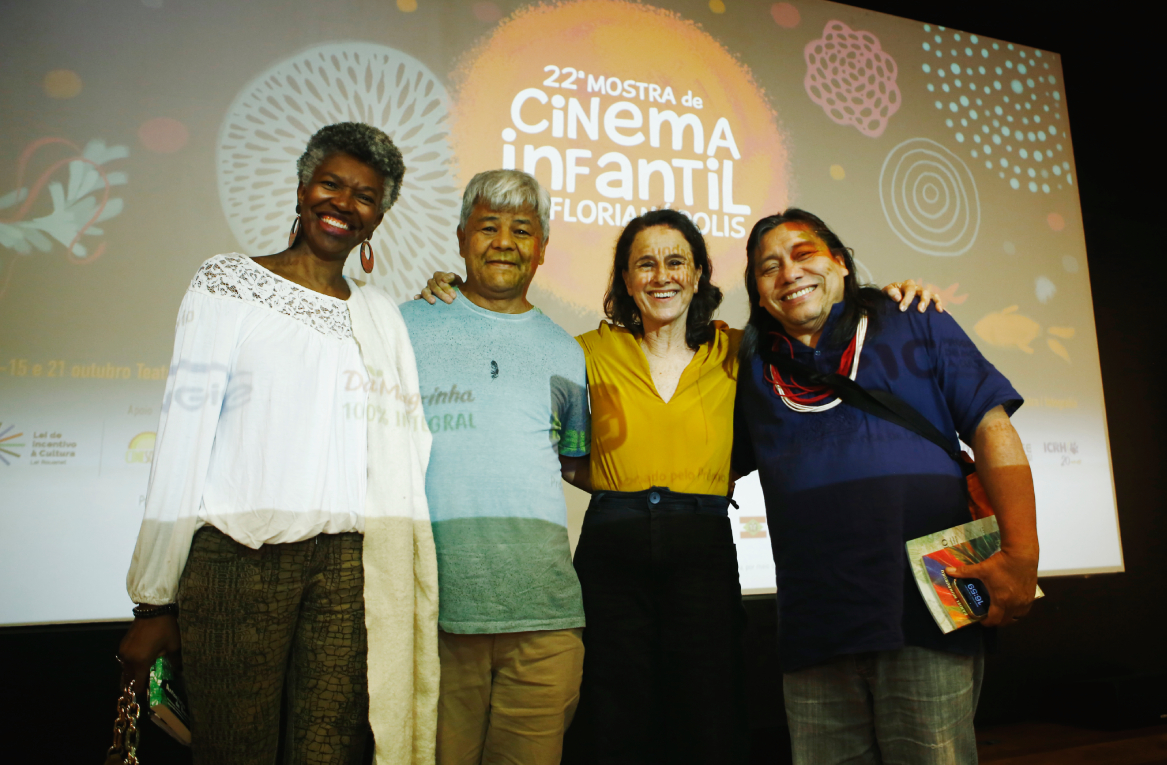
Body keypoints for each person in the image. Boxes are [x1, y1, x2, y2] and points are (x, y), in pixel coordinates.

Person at [419, 208, 941, 765]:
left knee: (709, 716)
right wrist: (459, 293)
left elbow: (812, 323)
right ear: (625, 279)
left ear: (697, 276)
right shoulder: (584, 350)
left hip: (702, 547)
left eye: (676, 262)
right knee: (610, 717)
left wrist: (884, 301)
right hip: (611, 549)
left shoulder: (739, 349)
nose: (661, 275)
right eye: (644, 264)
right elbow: (535, 403)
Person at [119, 122, 439, 765]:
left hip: (348, 571)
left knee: (329, 752)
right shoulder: (229, 284)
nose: (344, 204)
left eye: (365, 196)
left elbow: (404, 451)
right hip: (238, 563)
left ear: (378, 219)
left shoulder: (380, 315)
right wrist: (153, 600)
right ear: (301, 189)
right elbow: (184, 438)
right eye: (331, 184)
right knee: (235, 751)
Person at [733, 208, 1039, 765]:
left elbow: (992, 428)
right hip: (814, 627)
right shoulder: (750, 367)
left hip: (928, 611)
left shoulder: (914, 318)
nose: (788, 273)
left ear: (841, 263)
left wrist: (1022, 555)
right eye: (768, 267)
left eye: (804, 254)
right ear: (758, 291)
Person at [398, 170, 591, 765]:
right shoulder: (406, 326)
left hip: (546, 619)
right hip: (435, 616)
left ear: (542, 248)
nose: (504, 242)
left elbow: (574, 462)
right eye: (488, 227)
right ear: (461, 238)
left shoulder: (567, 351)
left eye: (522, 230)